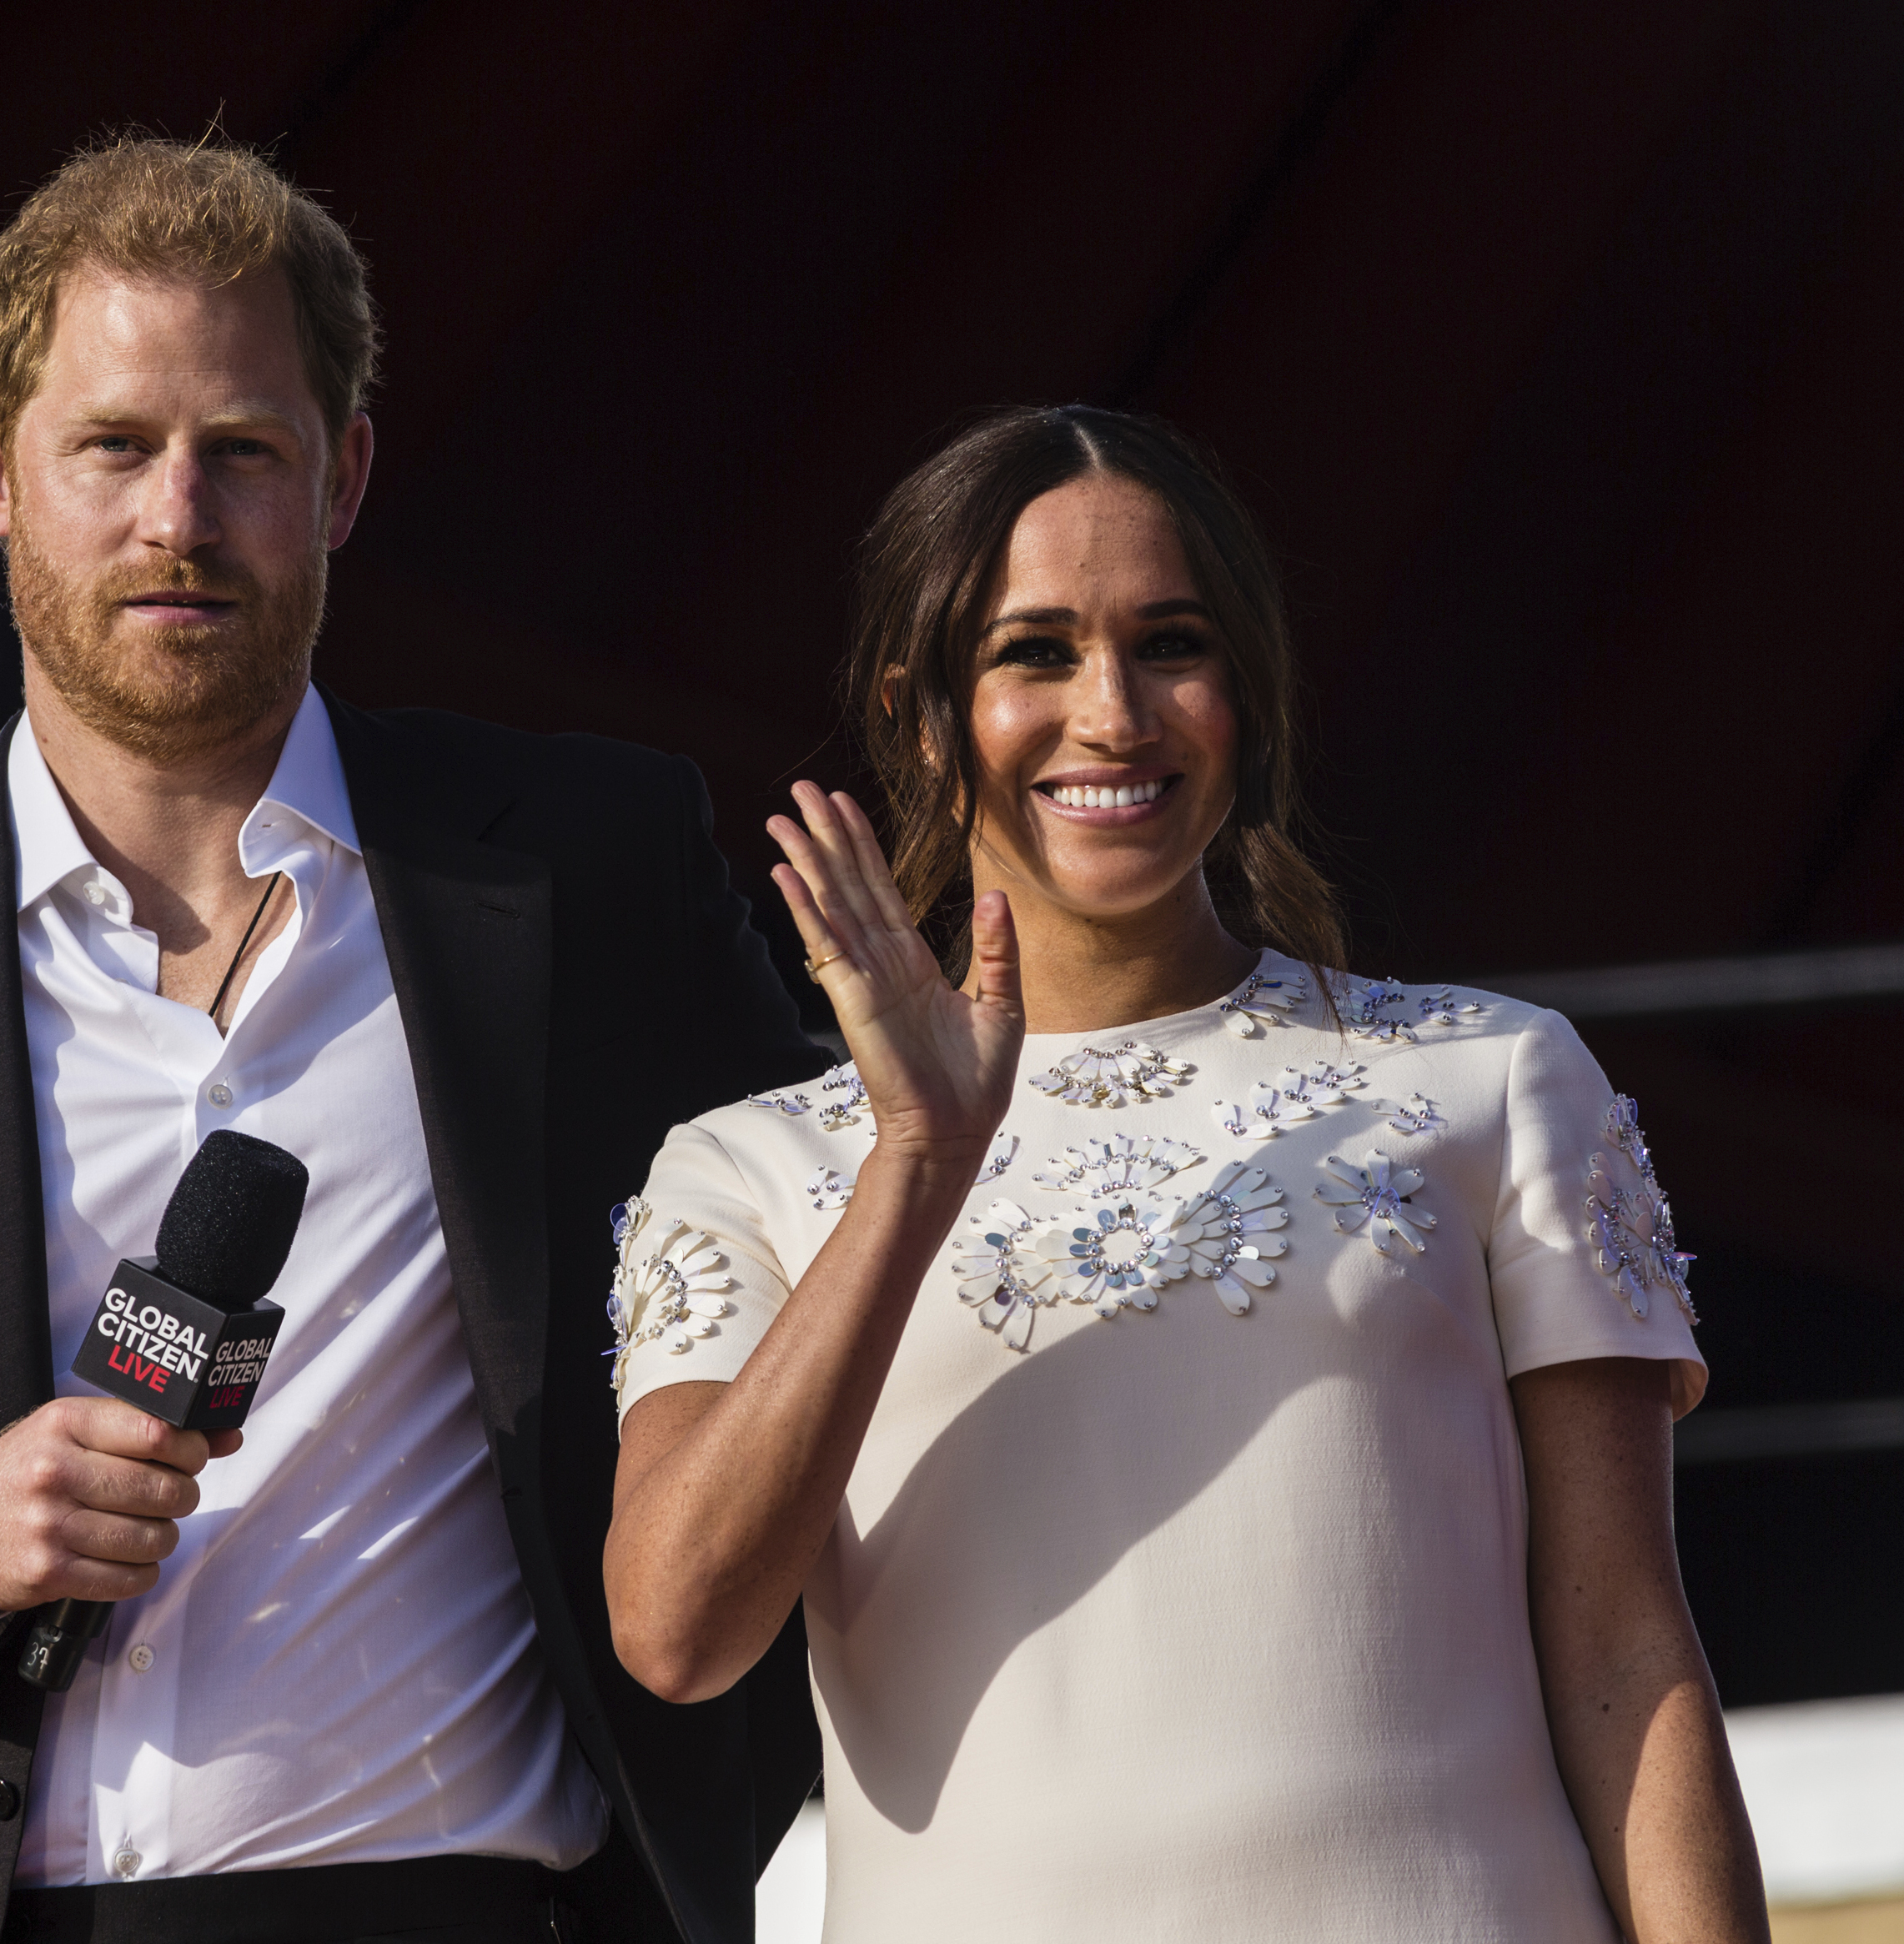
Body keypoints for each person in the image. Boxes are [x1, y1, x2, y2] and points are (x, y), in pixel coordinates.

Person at [0, 135, 826, 1944]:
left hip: (467, 1908)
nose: (177, 518)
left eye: (244, 451)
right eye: (114, 447)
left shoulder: (588, 873)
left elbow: (856, 1276)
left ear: (345, 477)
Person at [601, 405, 1769, 1941]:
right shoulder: (751, 1168)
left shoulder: (1491, 1079)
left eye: (1170, 644)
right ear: (920, 710)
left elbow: (1627, 1652)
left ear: (1249, 687)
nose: (1113, 712)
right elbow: (678, 1633)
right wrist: (919, 1165)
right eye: (1033, 653)